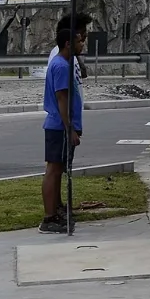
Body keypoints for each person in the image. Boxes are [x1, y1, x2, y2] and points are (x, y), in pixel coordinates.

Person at [41, 12, 91, 233]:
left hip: (63, 125)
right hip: (60, 126)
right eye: (81, 39)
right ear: (69, 42)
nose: (84, 42)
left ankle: (56, 209)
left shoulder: (67, 62)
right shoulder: (60, 65)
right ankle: (49, 217)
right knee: (53, 169)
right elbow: (62, 99)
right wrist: (70, 128)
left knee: (58, 168)